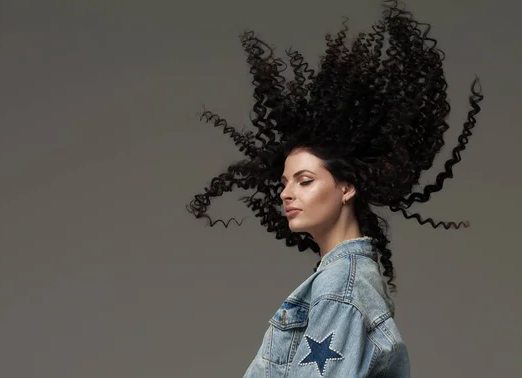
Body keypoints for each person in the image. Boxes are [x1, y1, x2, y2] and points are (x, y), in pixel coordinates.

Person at [186, 1, 483, 376]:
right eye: (285, 182)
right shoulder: (344, 280)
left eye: (305, 180)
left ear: (347, 187)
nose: (286, 193)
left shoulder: (341, 288)